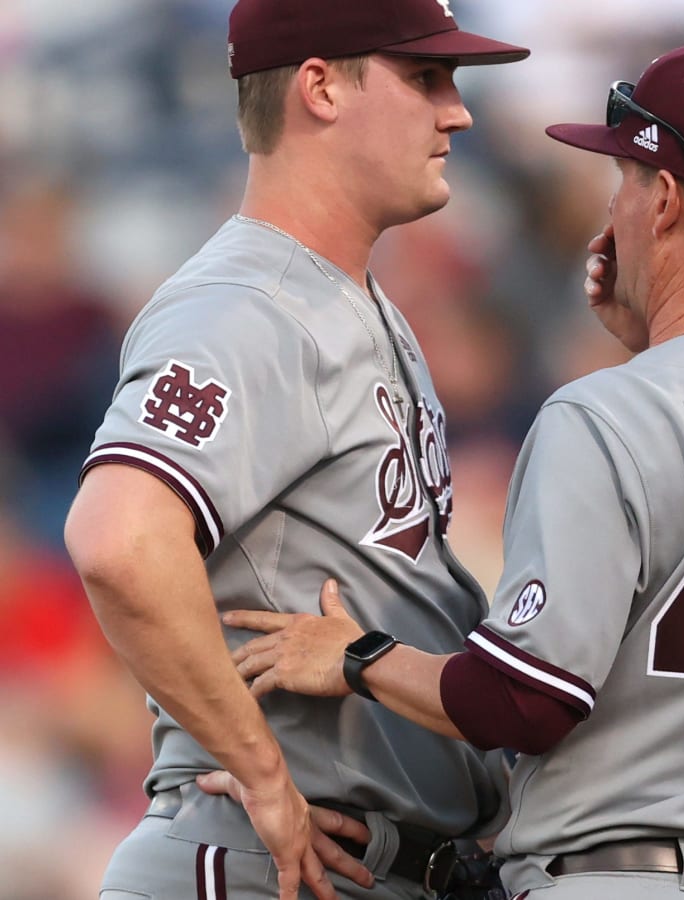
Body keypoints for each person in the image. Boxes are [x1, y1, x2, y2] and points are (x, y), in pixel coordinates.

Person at [215, 45, 684, 900]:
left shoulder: (607, 415)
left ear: (663, 200)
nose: (613, 207)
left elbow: (526, 701)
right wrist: (661, 343)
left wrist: (358, 654)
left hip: (630, 875)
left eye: (622, 181)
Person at [61, 1, 528, 898]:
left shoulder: (348, 301)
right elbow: (119, 539)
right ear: (320, 87)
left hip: (369, 862)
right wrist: (265, 779)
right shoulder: (248, 305)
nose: (457, 111)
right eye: (424, 77)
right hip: (265, 861)